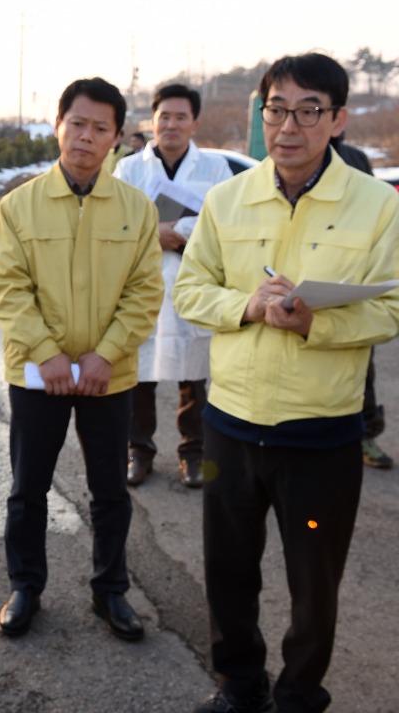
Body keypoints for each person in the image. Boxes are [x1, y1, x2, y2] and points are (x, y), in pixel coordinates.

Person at [174, 53, 399, 713]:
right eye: (276, 110)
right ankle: (238, 687)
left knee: (313, 583)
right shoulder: (227, 198)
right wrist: (246, 305)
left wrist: (311, 325)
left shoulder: (375, 206)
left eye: (308, 111)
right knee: (229, 574)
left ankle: (301, 695)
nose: (288, 126)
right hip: (230, 429)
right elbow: (192, 289)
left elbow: (391, 307)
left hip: (320, 438)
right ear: (261, 114)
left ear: (338, 120)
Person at [0, 77, 163, 642]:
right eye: (78, 124)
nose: (87, 137)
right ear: (59, 124)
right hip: (38, 376)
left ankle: (110, 591)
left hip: (108, 378)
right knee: (28, 488)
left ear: (116, 137)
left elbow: (144, 292)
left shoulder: (137, 210)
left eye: (101, 128)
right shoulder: (20, 206)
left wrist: (105, 354)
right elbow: (9, 289)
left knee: (110, 490)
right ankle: (25, 587)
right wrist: (48, 353)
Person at [115, 84, 232, 488]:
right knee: (138, 375)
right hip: (141, 283)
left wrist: (178, 231)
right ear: (153, 120)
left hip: (190, 282)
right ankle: (139, 450)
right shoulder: (129, 169)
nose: (172, 124)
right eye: (164, 116)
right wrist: (154, 234)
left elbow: (222, 222)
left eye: (181, 117)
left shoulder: (214, 169)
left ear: (194, 122)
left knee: (193, 377)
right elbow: (114, 222)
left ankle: (193, 454)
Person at [331, 134, 393, 469]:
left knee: (361, 363)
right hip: (304, 276)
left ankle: (366, 433)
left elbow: (373, 217)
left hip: (353, 277)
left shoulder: (355, 159)